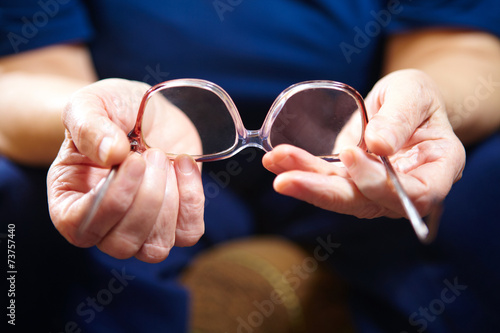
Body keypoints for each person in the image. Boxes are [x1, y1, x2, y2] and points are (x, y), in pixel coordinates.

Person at [1, 0, 499, 332]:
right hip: (154, 153)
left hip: (352, 154)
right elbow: (28, 72)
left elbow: (460, 46)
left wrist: (416, 111)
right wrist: (97, 124)